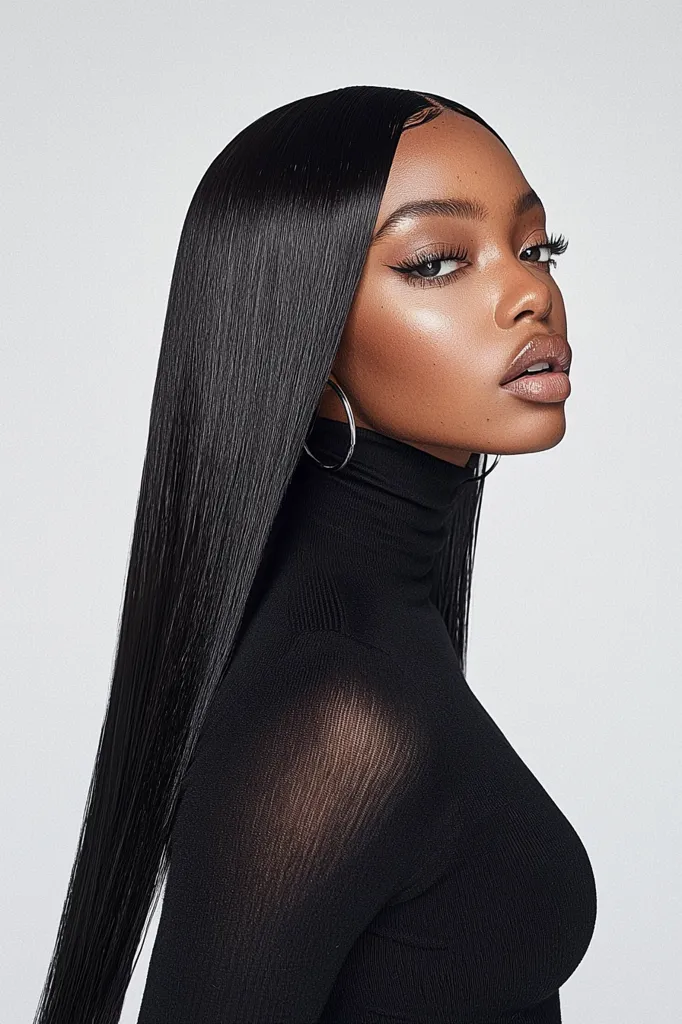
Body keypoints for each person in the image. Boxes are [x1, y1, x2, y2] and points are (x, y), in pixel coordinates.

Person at [33, 86, 596, 1024]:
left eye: (536, 247)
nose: (531, 290)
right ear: (308, 337)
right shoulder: (337, 717)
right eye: (436, 261)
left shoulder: (379, 639)